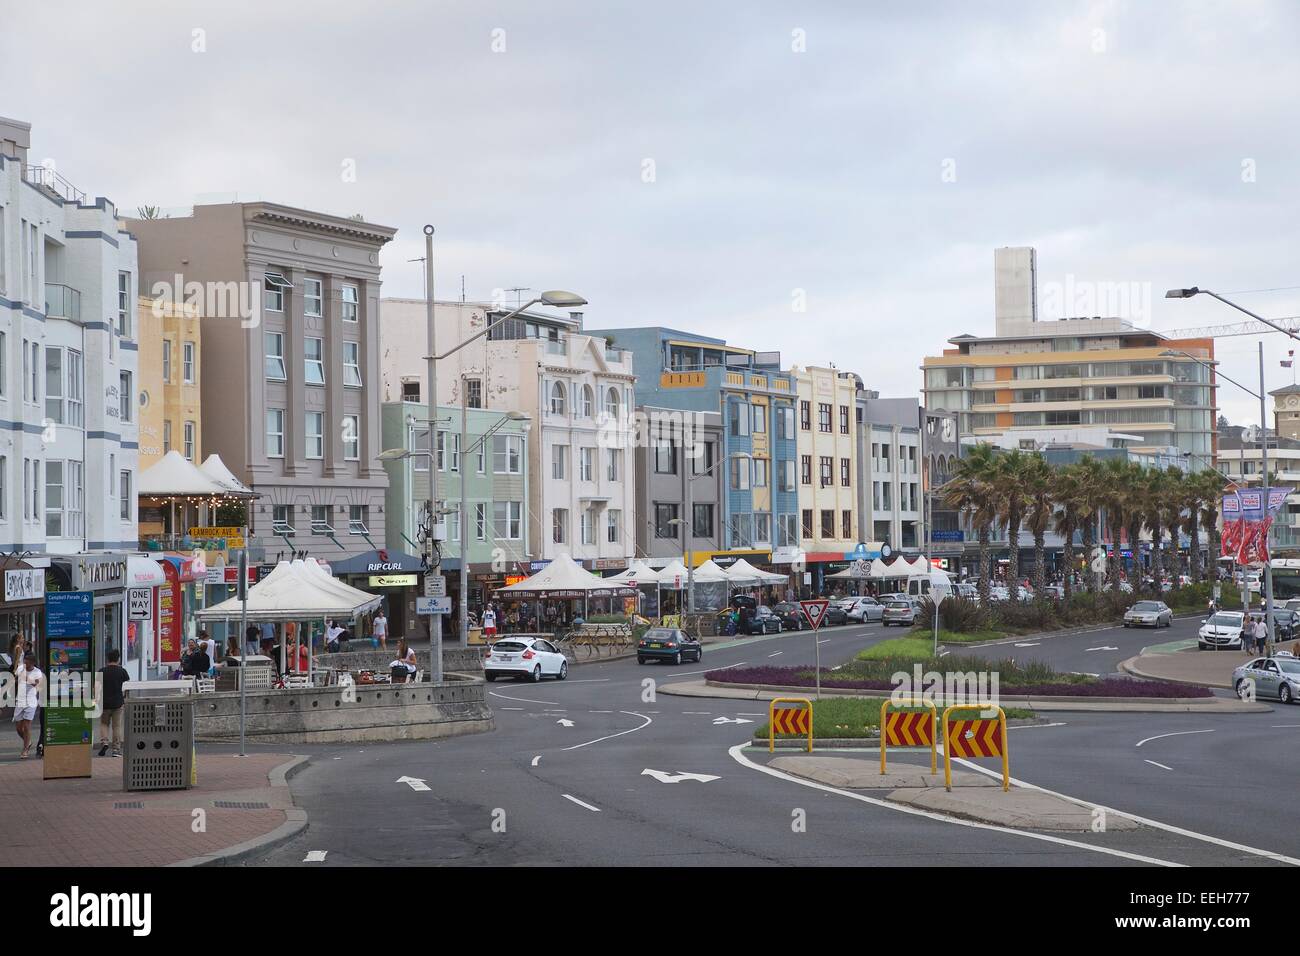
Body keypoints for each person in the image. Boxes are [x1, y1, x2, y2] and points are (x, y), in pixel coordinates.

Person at [97, 649, 129, 757]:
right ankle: (116, 750)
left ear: (107, 659)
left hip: (104, 703)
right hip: (118, 703)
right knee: (116, 726)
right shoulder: (122, 671)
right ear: (118, 659)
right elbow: (126, 686)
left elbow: (96, 687)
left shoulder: (102, 671)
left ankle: (105, 742)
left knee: (104, 724)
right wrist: (124, 698)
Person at [13, 652, 42, 758]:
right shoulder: (20, 668)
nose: (26, 662)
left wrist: (26, 678)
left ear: (33, 662)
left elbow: (36, 683)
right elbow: (15, 679)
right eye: (25, 660)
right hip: (20, 700)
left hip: (30, 701)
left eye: (28, 661)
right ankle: (28, 741)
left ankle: (25, 750)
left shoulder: (37, 672)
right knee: (18, 728)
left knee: (26, 726)